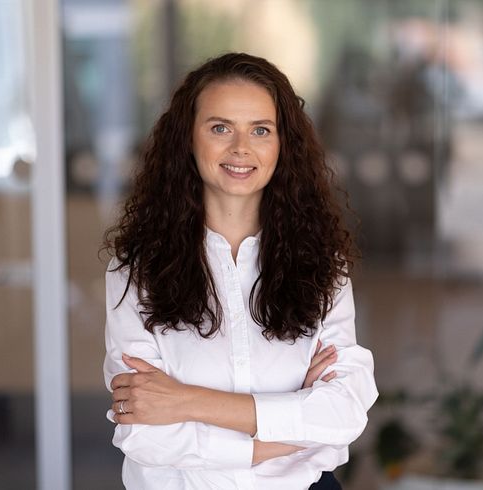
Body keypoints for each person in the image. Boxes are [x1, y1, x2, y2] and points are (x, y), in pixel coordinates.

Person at [103, 52, 378, 490]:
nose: (241, 148)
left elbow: (344, 411)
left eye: (261, 130)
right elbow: (143, 432)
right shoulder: (137, 270)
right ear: (187, 139)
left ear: (282, 145)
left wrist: (186, 401)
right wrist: (292, 429)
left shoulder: (322, 265)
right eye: (220, 128)